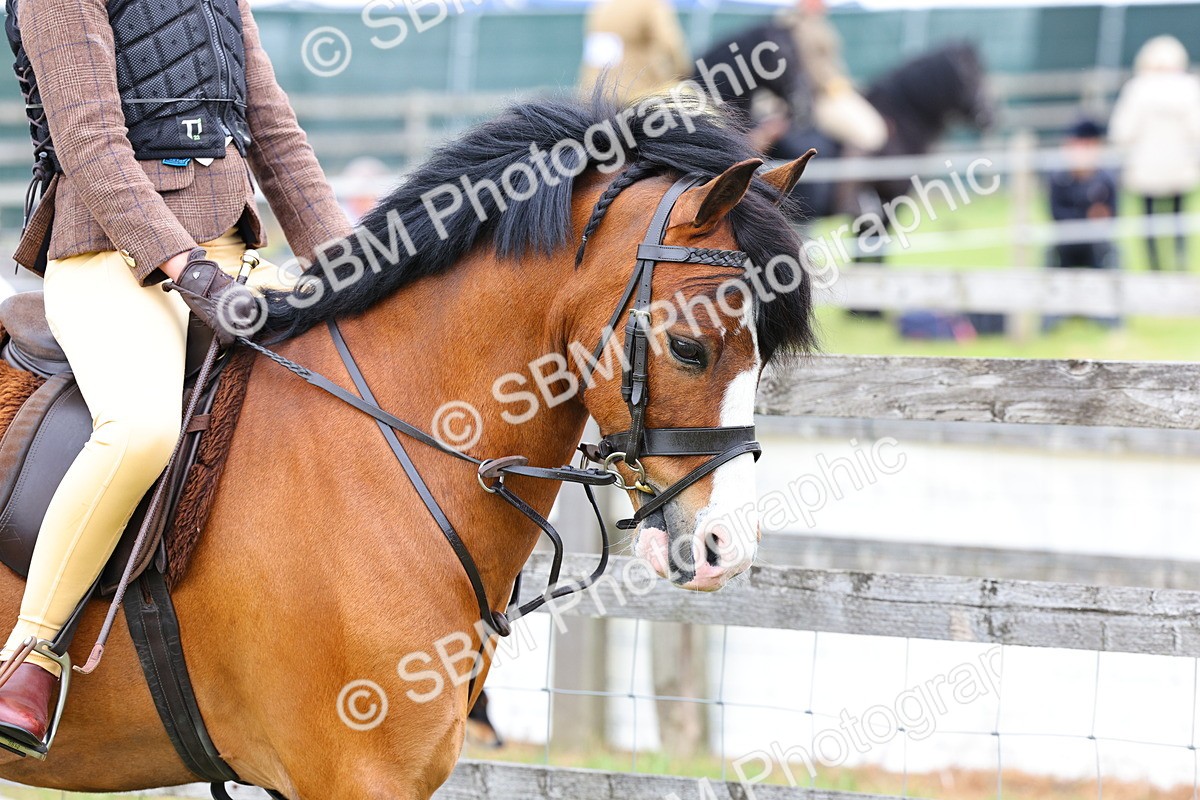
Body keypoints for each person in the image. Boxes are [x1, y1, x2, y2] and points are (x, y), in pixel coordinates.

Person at [0, 0, 352, 752]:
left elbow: (277, 137)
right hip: (110, 257)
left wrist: (360, 269)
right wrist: (182, 265)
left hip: (228, 257)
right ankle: (31, 653)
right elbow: (89, 144)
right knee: (141, 430)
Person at [1110, 35, 1200, 272]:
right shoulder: (1189, 88)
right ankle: (1179, 261)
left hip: (1145, 169)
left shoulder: (1137, 88)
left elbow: (1122, 131)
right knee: (1177, 218)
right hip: (1180, 168)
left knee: (1149, 221)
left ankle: (1155, 266)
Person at [778, 0, 887, 154]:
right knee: (868, 134)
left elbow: (830, 65)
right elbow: (805, 67)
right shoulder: (793, 26)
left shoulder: (816, 24)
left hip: (830, 92)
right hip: (815, 98)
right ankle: (848, 177)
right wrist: (829, 85)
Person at [1044, 118, 1120, 330]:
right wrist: (1088, 216)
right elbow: (1056, 215)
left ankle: (1110, 319)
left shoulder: (1106, 179)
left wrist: (1097, 221)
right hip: (1066, 244)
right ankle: (1050, 320)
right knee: (1051, 256)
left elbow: (1113, 215)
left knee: (1111, 253)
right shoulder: (1058, 178)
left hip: (1096, 243)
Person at [578, 0, 690, 103]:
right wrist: (683, 74)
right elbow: (670, 44)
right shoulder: (648, 4)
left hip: (597, 96)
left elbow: (592, 56)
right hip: (636, 95)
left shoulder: (600, 7)